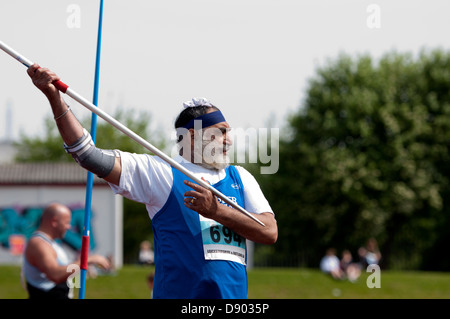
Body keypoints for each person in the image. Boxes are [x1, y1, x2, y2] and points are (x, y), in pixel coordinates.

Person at [27, 65, 278, 299]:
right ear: (193, 135)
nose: (229, 141)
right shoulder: (162, 172)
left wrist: (218, 211)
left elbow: (269, 232)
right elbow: (88, 155)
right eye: (221, 131)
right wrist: (54, 98)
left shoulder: (240, 177)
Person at [22, 202, 111, 299]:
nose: (69, 227)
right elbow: (55, 275)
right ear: (54, 221)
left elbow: (63, 270)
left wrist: (79, 266)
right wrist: (87, 260)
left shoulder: (51, 243)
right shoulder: (39, 244)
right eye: (67, 222)